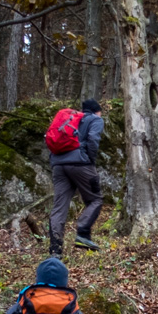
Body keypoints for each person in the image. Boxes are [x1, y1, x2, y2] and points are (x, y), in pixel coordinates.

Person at [49, 98, 105, 255]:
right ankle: (83, 233)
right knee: (95, 199)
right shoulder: (96, 119)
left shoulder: (71, 120)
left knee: (59, 206)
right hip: (81, 165)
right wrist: (90, 160)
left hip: (58, 165)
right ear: (97, 110)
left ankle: (55, 249)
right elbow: (93, 140)